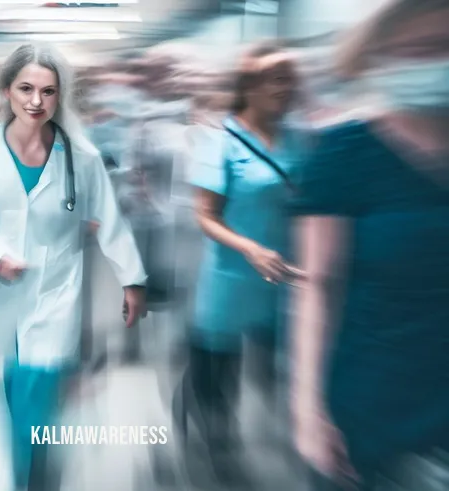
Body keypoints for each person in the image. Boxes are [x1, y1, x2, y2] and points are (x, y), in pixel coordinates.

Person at [0, 44, 147, 491]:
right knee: (11, 408)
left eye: (48, 92)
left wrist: (132, 279)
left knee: (36, 408)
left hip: (56, 301)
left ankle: (31, 481)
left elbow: (111, 221)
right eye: (26, 88)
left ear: (59, 97)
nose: (35, 101)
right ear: (7, 90)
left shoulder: (81, 158)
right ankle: (32, 475)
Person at [290, 1, 449, 489]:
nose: (436, 61)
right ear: (382, 57)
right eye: (420, 49)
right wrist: (306, 408)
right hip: (372, 407)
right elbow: (316, 289)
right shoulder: (345, 152)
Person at [179, 42, 301, 483]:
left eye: (292, 79)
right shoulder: (221, 141)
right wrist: (250, 248)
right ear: (249, 86)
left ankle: (295, 442)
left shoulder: (300, 139)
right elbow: (205, 215)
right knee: (217, 376)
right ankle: (210, 448)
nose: (288, 88)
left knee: (282, 372)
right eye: (277, 78)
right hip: (231, 277)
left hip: (285, 280)